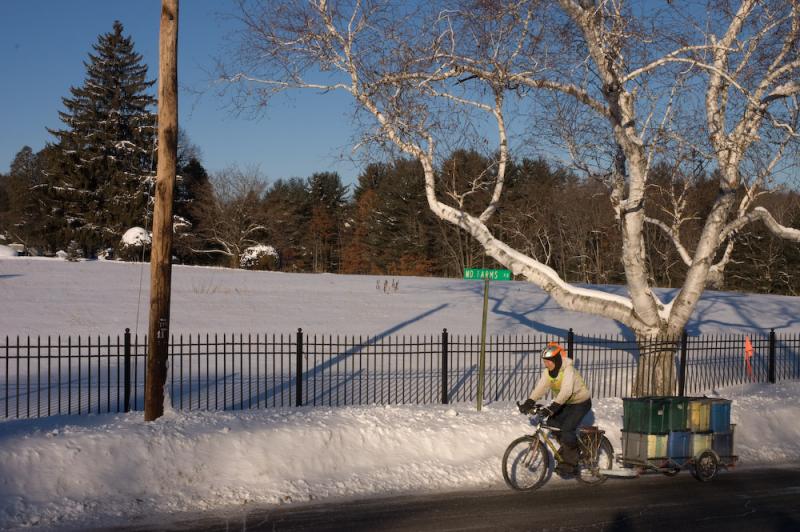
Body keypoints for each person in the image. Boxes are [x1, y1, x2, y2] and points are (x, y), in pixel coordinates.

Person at [518, 342, 592, 475]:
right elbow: (541, 387)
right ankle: (567, 447)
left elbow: (566, 392)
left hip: (581, 402)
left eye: (549, 361)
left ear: (556, 360)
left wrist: (551, 408)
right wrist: (529, 402)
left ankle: (572, 461)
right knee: (552, 423)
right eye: (544, 361)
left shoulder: (568, 370)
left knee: (567, 428)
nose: (546, 364)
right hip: (566, 403)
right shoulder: (547, 372)